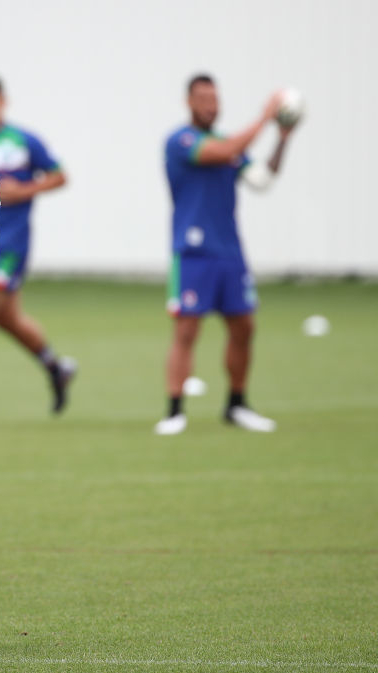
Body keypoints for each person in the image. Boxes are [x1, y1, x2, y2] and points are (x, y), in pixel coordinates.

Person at [156, 75, 296, 435]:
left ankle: (236, 404)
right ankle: (175, 411)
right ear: (189, 102)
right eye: (203, 98)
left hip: (229, 252)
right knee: (186, 329)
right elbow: (223, 153)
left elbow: (262, 180)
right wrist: (265, 116)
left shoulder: (230, 144)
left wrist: (282, 139)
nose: (210, 105)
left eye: (214, 99)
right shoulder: (181, 141)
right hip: (192, 251)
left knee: (244, 327)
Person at [0, 76, 76, 414]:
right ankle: (56, 369)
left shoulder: (24, 141)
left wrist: (23, 191)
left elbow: (59, 176)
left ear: (3, 102)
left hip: (11, 246)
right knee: (10, 318)